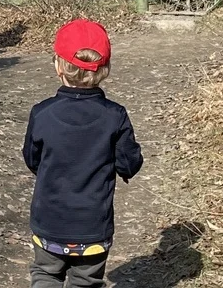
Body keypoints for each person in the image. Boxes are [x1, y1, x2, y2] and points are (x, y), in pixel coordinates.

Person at [23, 19, 143, 288]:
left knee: (45, 274)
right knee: (86, 281)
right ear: (105, 69)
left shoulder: (42, 113)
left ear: (58, 66)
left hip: (49, 222)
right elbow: (129, 164)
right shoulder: (115, 116)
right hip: (92, 227)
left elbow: (32, 159)